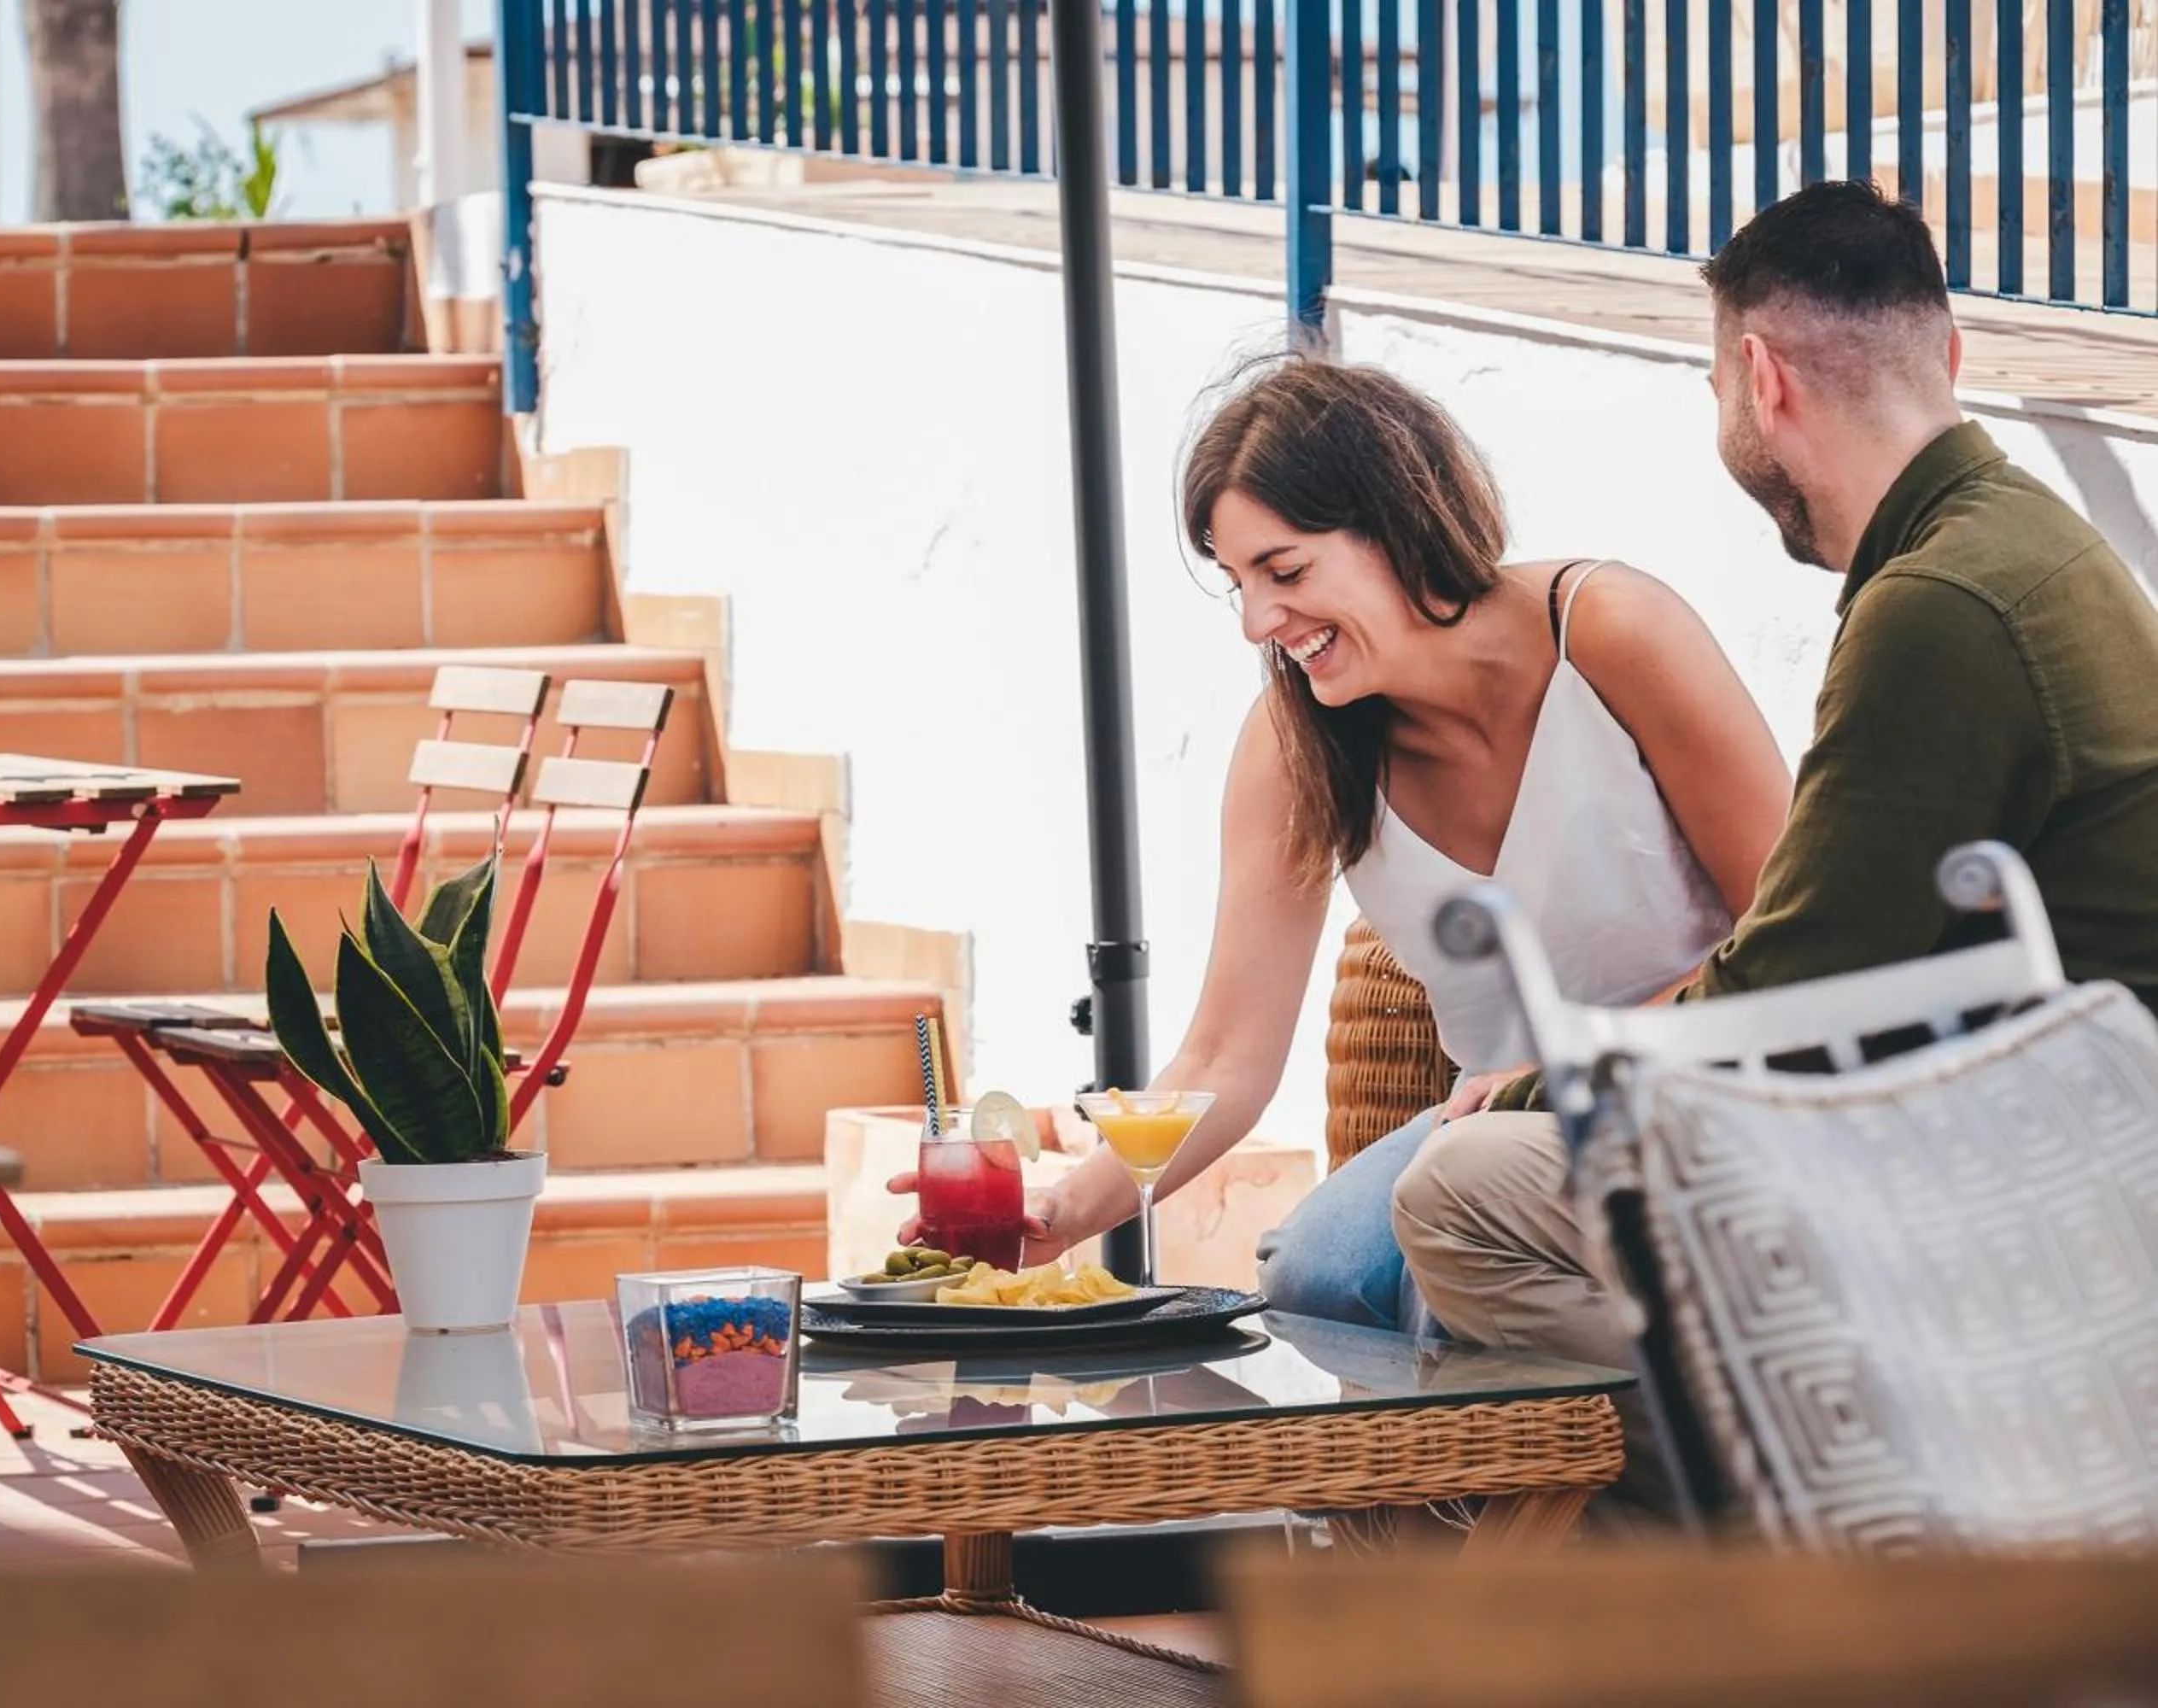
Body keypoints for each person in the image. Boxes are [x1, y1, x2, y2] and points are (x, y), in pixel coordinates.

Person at [1393, 180, 2158, 1406]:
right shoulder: (2027, 544)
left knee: (1460, 1192)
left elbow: (1795, 1001)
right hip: (2044, 1142)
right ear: (1949, 354)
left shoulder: (1939, 608)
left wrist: (1535, 1086)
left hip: (2048, 1203)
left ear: (1763, 380)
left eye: (1714, 394)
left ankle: (1849, 1470)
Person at [888, 356, 1792, 1323]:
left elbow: (1795, 933)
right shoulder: (1296, 743)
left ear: (1400, 522)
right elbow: (1227, 1052)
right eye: (1236, 581)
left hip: (1715, 1077)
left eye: (1284, 571)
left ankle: (1567, 1464)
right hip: (1487, 1126)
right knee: (1315, 1281)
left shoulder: (1613, 631)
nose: (1256, 622)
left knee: (1437, 1288)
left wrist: (1556, 1075)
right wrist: (1064, 1207)